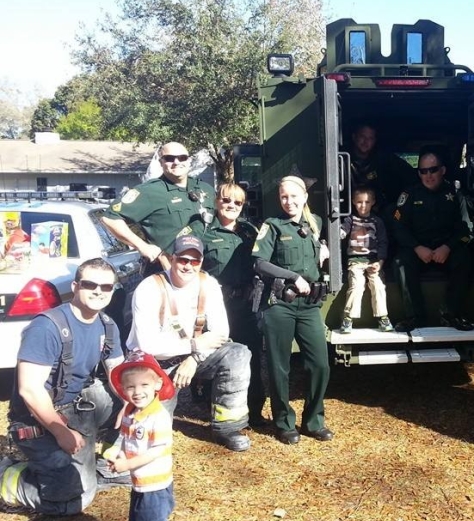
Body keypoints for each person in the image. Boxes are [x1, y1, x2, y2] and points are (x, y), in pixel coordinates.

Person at [1, 258, 125, 515]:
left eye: (106, 287)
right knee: (74, 500)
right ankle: (8, 475)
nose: (98, 291)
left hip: (78, 405)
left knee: (148, 398)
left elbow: (119, 371)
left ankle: (107, 463)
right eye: (90, 284)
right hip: (39, 418)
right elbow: (30, 389)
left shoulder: (107, 325)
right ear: (75, 286)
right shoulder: (47, 326)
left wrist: (130, 405)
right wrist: (60, 431)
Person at [127, 234, 251, 452]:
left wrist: (194, 359)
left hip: (193, 355)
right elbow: (148, 345)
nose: (188, 266)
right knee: (150, 438)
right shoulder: (149, 288)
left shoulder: (209, 285)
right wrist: (194, 346)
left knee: (238, 353)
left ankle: (227, 428)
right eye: (183, 259)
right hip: (153, 365)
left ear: (201, 262)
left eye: (194, 261)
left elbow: (221, 332)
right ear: (172, 259)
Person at [252, 175, 333, 445]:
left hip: (309, 306)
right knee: (279, 367)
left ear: (305, 197)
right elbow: (260, 263)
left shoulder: (316, 223)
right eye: (284, 196)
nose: (289, 201)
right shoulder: (272, 226)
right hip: (280, 305)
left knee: (320, 363)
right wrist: (292, 276)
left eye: (294, 196)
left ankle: (313, 421)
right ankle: (284, 423)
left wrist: (324, 249)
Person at [196, 183, 267, 426]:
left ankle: (254, 412)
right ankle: (215, 410)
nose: (231, 206)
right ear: (217, 201)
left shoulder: (250, 231)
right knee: (216, 359)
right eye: (226, 200)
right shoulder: (203, 232)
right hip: (217, 307)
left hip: (246, 305)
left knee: (252, 357)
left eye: (237, 202)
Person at [107, 351, 176, 521]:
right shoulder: (130, 412)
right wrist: (118, 453)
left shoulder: (158, 417)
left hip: (154, 483)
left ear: (157, 383)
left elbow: (158, 450)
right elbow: (126, 440)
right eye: (130, 387)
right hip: (140, 482)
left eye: (144, 384)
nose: (137, 392)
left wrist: (127, 464)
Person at [391, 148, 474, 332]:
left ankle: (451, 314)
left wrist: (448, 247)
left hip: (446, 250)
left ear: (443, 170)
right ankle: (415, 317)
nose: (428, 175)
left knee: (464, 259)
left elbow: (466, 227)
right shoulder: (409, 194)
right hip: (419, 250)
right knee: (400, 262)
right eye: (423, 171)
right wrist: (417, 247)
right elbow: (398, 227)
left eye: (433, 169)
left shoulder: (455, 193)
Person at [101, 142, 215, 273]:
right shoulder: (150, 191)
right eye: (169, 158)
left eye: (182, 157)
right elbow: (110, 218)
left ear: (189, 161)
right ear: (161, 162)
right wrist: (142, 246)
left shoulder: (205, 189)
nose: (176, 162)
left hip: (204, 270)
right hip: (166, 272)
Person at [339, 186, 393, 333]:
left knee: (378, 285)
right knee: (357, 284)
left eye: (367, 202)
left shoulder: (377, 221)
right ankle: (348, 318)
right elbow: (342, 230)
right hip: (355, 261)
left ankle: (383, 317)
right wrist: (339, 232)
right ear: (353, 202)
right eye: (359, 202)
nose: (363, 206)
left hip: (373, 261)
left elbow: (383, 242)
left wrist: (380, 262)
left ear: (373, 202)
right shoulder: (350, 219)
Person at [348, 123, 418, 211]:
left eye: (370, 138)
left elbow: (410, 175)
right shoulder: (341, 160)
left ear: (375, 141)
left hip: (377, 212)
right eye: (362, 137)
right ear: (354, 137)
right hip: (347, 211)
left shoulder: (384, 160)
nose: (366, 141)